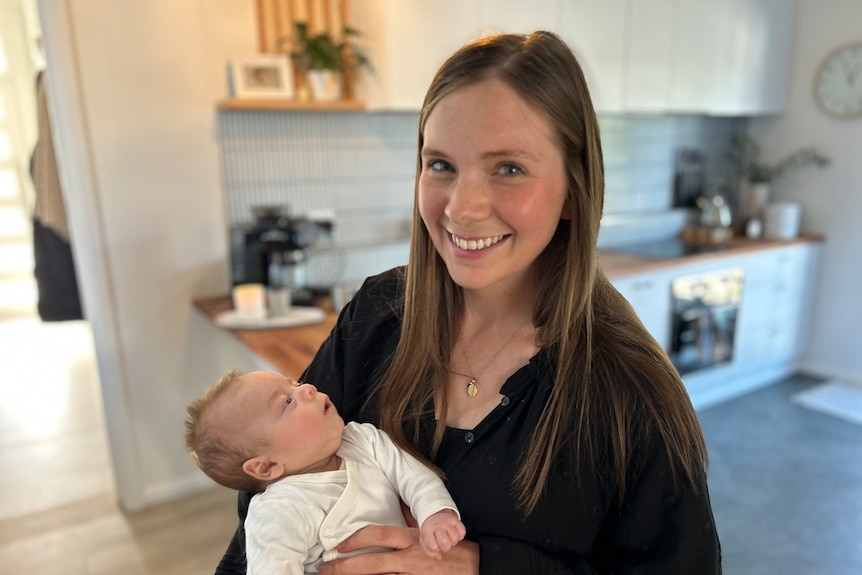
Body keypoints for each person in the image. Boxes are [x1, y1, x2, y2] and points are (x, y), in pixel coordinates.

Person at [216, 30, 721, 574]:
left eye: (509, 168)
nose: (462, 208)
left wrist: (482, 567)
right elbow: (263, 503)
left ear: (574, 191)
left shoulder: (633, 398)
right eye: (441, 165)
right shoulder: (377, 314)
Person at [185, 370, 465, 574]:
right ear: (267, 466)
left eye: (295, 384)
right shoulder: (278, 510)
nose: (306, 389)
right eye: (286, 402)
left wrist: (435, 513)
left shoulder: (362, 439)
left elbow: (413, 476)